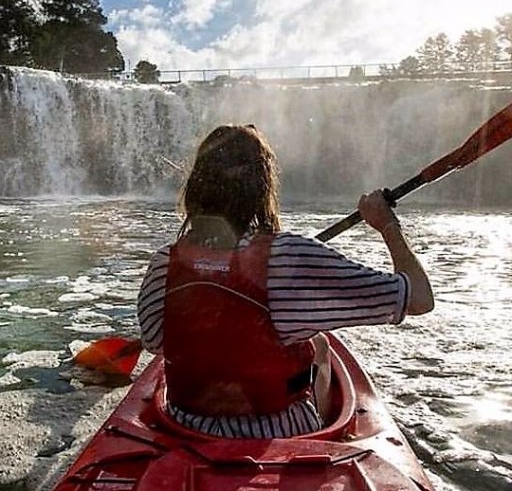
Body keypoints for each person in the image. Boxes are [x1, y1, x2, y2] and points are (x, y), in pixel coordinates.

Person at [137, 124, 434, 438]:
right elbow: (418, 298)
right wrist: (387, 224)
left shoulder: (164, 263)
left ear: (196, 188)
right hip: (276, 435)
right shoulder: (291, 256)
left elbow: (155, 343)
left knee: (314, 340)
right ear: (261, 188)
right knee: (320, 344)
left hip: (185, 429)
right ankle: (323, 433)